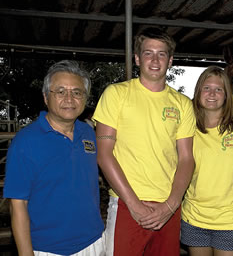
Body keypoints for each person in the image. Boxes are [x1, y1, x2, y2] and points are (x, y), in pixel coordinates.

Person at [93, 27, 195, 256]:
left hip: (168, 208)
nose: (155, 60)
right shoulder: (116, 94)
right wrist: (134, 204)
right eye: (148, 53)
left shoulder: (183, 104)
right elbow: (104, 153)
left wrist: (171, 205)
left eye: (162, 54)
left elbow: (187, 158)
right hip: (126, 205)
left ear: (170, 61)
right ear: (137, 59)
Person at [3, 60, 105, 255]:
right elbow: (18, 205)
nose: (69, 98)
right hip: (48, 249)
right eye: (60, 91)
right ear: (45, 97)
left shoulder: (89, 133)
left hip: (94, 243)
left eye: (77, 92)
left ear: (85, 98)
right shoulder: (25, 142)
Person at [180, 66, 233, 256]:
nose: (212, 94)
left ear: (227, 94)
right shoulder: (187, 126)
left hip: (231, 221)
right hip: (194, 218)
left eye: (218, 89)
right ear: (198, 92)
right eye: (207, 88)